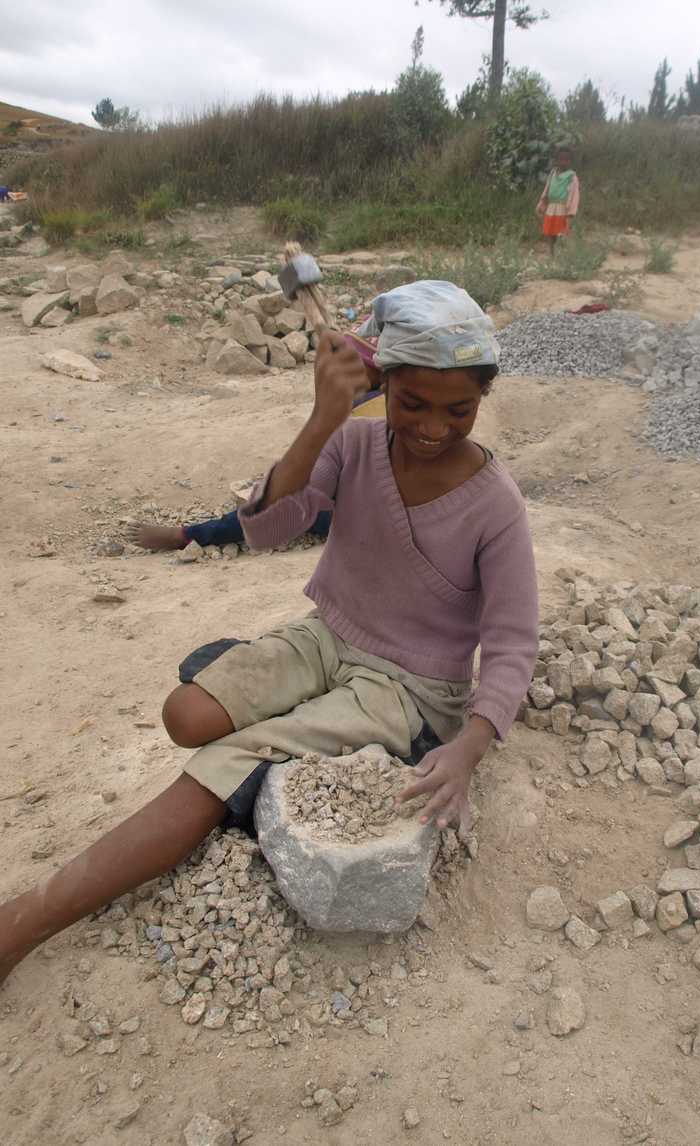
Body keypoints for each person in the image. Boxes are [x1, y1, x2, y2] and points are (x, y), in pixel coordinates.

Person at [0, 279, 539, 986]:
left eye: (458, 409)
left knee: (221, 766)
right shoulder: (353, 447)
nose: (434, 426)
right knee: (185, 715)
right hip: (331, 634)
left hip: (407, 690)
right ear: (384, 386)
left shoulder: (495, 506)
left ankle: (21, 925)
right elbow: (267, 528)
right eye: (412, 403)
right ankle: (279, 726)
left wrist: (470, 745)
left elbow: (511, 643)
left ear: (482, 401)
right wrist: (322, 418)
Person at [126, 329, 383, 552]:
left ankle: (186, 536)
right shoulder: (358, 402)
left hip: (367, 516)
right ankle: (193, 533)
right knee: (285, 492)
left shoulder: (374, 406)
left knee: (283, 505)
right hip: (352, 496)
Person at [536, 146, 580, 253]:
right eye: (561, 159)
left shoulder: (572, 177)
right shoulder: (552, 173)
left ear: (570, 161)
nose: (564, 162)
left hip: (563, 209)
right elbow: (547, 189)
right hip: (551, 208)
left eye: (567, 160)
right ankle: (551, 254)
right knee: (549, 232)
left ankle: (560, 254)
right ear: (556, 160)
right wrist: (542, 203)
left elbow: (574, 196)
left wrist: (570, 213)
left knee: (561, 232)